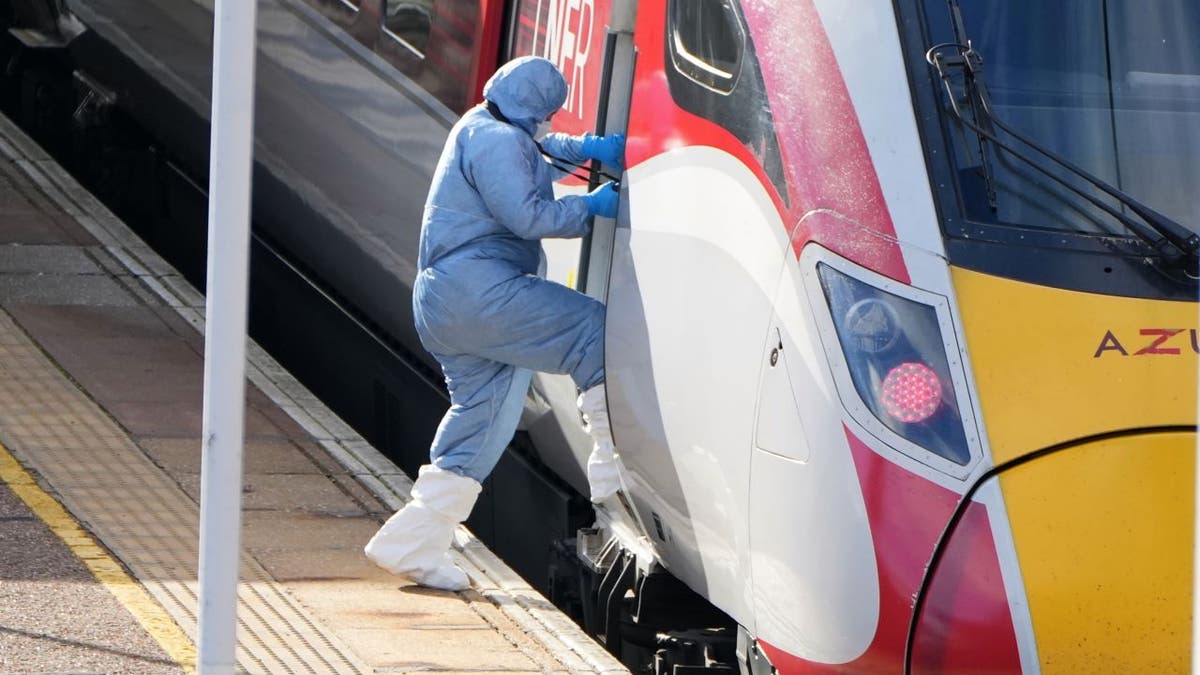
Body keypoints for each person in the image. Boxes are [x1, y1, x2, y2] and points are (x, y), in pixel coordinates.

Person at [364, 56, 627, 591]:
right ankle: (613, 471)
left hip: (446, 304)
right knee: (592, 333)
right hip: (482, 293)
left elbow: (539, 153)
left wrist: (588, 149)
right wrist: (593, 207)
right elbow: (529, 215)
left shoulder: (481, 123)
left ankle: (412, 543)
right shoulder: (501, 141)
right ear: (533, 108)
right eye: (548, 114)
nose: (550, 123)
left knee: (479, 427)